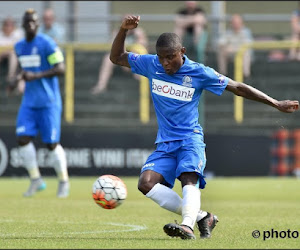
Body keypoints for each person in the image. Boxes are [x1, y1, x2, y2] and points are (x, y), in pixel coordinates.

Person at [109, 15, 299, 240]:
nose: (165, 63)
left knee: (189, 177)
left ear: (183, 51)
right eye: (161, 58)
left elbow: (238, 87)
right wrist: (123, 30)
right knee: (146, 183)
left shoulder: (200, 72)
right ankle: (202, 217)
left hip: (190, 138)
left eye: (170, 57)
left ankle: (188, 226)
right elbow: (117, 57)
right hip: (166, 142)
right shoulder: (152, 64)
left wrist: (275, 103)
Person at [6, 9, 70, 198]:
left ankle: (63, 181)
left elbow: (61, 68)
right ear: (23, 25)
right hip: (29, 102)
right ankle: (36, 180)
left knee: (51, 144)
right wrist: (15, 80)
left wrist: (36, 76)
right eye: (28, 22)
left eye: (34, 22)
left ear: (38, 24)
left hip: (49, 101)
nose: (31, 25)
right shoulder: (19, 46)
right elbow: (22, 69)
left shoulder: (47, 43)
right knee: (22, 138)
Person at [90, 26, 148, 95]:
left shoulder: (138, 32)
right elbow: (112, 47)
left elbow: (143, 46)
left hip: (134, 59)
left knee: (136, 55)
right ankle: (101, 85)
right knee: (107, 59)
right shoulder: (117, 32)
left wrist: (138, 36)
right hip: (121, 58)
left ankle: (145, 89)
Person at [0, 17, 23, 90]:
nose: (8, 27)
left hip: (17, 63)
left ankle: (10, 77)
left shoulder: (18, 34)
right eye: (6, 25)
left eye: (10, 25)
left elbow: (19, 49)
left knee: (13, 54)